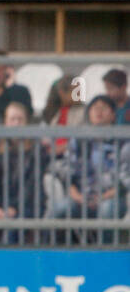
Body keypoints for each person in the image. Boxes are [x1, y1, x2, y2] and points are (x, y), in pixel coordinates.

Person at [47, 94, 124, 240]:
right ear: (89, 113)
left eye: (104, 108)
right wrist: (77, 196)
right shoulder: (78, 141)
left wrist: (103, 197)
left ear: (113, 114)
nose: (98, 111)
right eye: (95, 108)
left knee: (107, 211)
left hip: (111, 198)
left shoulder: (122, 142)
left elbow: (125, 181)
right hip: (81, 198)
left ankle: (105, 253)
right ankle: (53, 254)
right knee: (59, 209)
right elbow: (67, 173)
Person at [0, 101, 48, 245]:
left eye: (20, 119)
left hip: (30, 205)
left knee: (11, 232)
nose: (16, 123)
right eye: (12, 119)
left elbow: (32, 186)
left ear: (26, 122)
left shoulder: (37, 151)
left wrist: (14, 208)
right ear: (6, 122)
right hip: (2, 206)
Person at [40, 74, 85, 157]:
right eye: (76, 92)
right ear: (62, 93)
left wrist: (64, 147)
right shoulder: (52, 113)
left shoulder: (84, 112)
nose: (80, 94)